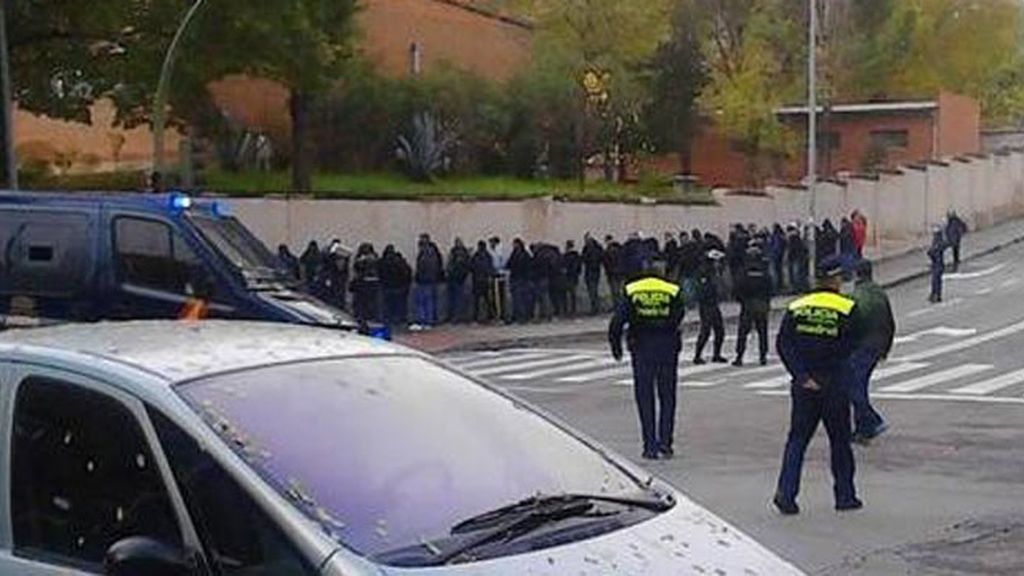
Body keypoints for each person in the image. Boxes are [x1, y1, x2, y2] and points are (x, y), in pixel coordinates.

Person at [773, 257, 862, 515]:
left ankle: (786, 493)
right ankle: (844, 495)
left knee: (797, 440)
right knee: (839, 441)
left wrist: (801, 375)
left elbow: (784, 345)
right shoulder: (846, 308)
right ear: (835, 280)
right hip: (834, 383)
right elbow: (854, 345)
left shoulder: (797, 306)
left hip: (805, 385)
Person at [608, 266, 686, 460]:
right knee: (667, 397)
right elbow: (679, 315)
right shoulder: (671, 289)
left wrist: (616, 347)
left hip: (642, 347)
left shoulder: (632, 290)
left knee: (645, 397)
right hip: (667, 347)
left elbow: (617, 321)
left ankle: (649, 445)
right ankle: (666, 443)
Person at [849, 260, 894, 444]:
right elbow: (890, 322)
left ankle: (873, 421)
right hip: (877, 345)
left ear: (856, 274)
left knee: (854, 388)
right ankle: (862, 429)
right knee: (860, 386)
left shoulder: (857, 296)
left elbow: (852, 326)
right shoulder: (879, 293)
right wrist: (886, 347)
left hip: (862, 347)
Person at [734, 248, 772, 367]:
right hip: (761, 305)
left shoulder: (744, 271)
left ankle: (739, 356)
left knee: (743, 332)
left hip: (748, 304)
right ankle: (763, 356)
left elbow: (738, 287)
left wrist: (741, 300)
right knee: (762, 332)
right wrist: (766, 301)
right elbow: (770, 288)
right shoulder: (764, 271)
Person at [693, 249, 728, 365]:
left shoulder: (713, 272)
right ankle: (697, 355)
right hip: (707, 305)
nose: (719, 264)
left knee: (720, 330)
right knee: (705, 330)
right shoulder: (704, 272)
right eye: (717, 261)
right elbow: (703, 289)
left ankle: (716, 354)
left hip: (713, 303)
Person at [414, 234, 444, 328]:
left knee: (424, 301)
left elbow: (423, 267)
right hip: (431, 280)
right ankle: (429, 320)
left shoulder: (426, 253)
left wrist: (419, 276)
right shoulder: (432, 252)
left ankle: (425, 321)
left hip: (425, 280)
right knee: (429, 301)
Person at [379, 245, 412, 327]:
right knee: (399, 306)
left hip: (387, 287)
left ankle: (388, 322)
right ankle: (399, 321)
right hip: (399, 288)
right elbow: (407, 273)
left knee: (388, 306)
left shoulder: (382, 262)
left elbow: (379, 273)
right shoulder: (400, 261)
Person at [445, 238, 471, 323]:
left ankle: (455, 317)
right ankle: (454, 316)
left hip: (458, 279)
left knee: (456, 299)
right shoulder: (462, 253)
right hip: (457, 279)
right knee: (455, 299)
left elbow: (453, 265)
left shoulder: (460, 253)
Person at [508, 238, 532, 323]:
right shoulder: (525, 254)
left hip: (517, 279)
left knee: (517, 300)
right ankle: (521, 317)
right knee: (520, 299)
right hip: (522, 279)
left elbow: (509, 264)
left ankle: (519, 317)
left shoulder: (516, 254)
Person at [470, 240, 495, 322]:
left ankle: (476, 317)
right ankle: (490, 316)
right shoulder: (488, 256)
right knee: (487, 300)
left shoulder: (476, 256)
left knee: (476, 301)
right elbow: (490, 268)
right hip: (485, 280)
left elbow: (471, 267)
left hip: (477, 280)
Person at [582, 234, 604, 315]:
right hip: (596, 271)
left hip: (590, 271)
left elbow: (584, 259)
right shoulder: (598, 248)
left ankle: (595, 308)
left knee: (592, 291)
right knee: (593, 290)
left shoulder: (588, 249)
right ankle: (596, 308)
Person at [603, 235, 624, 307]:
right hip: (618, 273)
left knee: (615, 291)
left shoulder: (609, 250)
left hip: (613, 273)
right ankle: (619, 306)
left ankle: (617, 306)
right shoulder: (619, 249)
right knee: (618, 291)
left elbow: (607, 263)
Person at [928, 226, 947, 304]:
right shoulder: (937, 243)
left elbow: (933, 252)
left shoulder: (938, 243)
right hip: (936, 264)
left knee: (936, 281)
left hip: (938, 264)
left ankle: (936, 295)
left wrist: (931, 252)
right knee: (935, 280)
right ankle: (934, 294)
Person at [563, 240, 582, 317]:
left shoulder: (567, 256)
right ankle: (573, 310)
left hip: (569, 276)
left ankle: (570, 310)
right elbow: (578, 266)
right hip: (574, 276)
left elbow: (565, 266)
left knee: (569, 294)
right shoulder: (576, 255)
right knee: (572, 294)